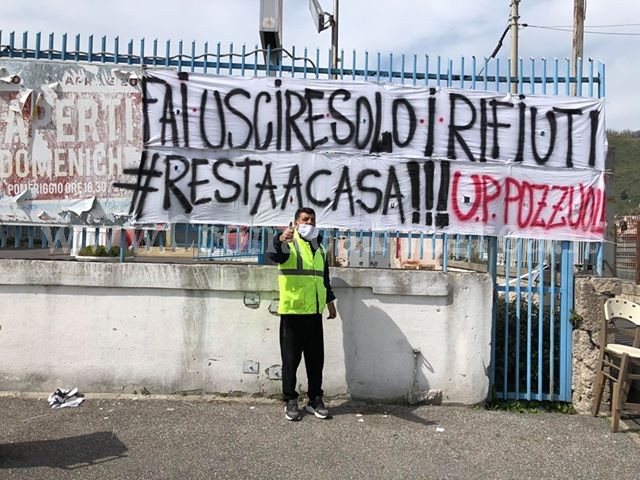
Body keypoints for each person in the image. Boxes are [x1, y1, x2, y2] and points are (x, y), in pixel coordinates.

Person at [269, 207, 337, 421]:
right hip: (293, 311)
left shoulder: (319, 246)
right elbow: (275, 255)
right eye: (305, 219)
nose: (309, 223)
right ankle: (290, 399)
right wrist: (281, 239)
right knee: (290, 360)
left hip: (314, 313)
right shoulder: (289, 242)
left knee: (316, 360)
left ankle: (315, 399)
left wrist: (330, 303)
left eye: (312, 220)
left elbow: (323, 278)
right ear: (296, 222)